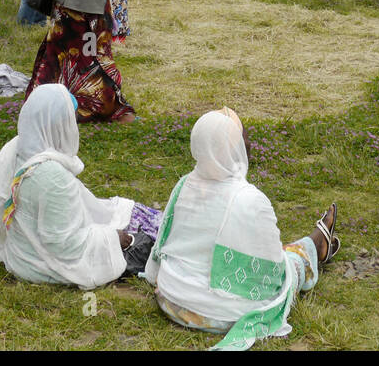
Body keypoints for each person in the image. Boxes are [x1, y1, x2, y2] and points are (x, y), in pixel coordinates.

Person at [144, 108, 339, 351]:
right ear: (232, 148)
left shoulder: (184, 184)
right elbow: (273, 277)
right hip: (217, 314)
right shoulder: (249, 199)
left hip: (171, 299)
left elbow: (165, 242)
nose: (249, 143)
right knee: (291, 262)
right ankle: (317, 244)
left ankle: (317, 241)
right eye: (243, 136)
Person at [0, 84, 161, 287]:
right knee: (155, 232)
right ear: (58, 124)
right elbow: (65, 246)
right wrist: (113, 237)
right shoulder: (51, 176)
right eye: (71, 120)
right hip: (43, 266)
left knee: (130, 212)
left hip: (20, 256)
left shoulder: (14, 149)